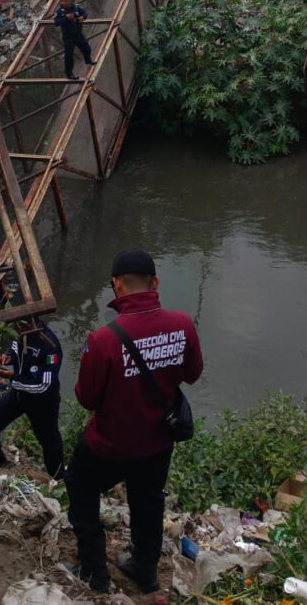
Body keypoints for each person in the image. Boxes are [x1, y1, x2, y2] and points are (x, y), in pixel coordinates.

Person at [65, 249, 203, 594]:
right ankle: (145, 571)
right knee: (148, 502)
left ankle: (95, 572)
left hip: (109, 445)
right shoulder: (182, 324)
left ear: (116, 286)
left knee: (81, 488)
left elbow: (86, 398)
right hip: (157, 442)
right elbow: (193, 373)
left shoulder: (103, 340)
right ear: (155, 282)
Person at [0, 320, 64, 479]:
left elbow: (43, 385)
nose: (14, 328)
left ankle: (57, 478)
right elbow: (13, 351)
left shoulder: (49, 346)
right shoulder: (19, 334)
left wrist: (13, 378)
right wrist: (7, 357)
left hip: (43, 401)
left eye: (17, 325)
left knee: (49, 441)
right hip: (20, 393)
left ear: (31, 322)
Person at [54, 0, 96, 80]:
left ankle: (88, 61)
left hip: (78, 34)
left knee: (87, 48)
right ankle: (69, 74)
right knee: (69, 56)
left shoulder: (76, 7)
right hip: (68, 37)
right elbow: (57, 23)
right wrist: (66, 18)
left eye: (65, 0)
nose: (63, 3)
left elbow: (84, 13)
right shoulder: (60, 12)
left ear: (70, 1)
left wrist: (83, 17)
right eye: (62, 1)